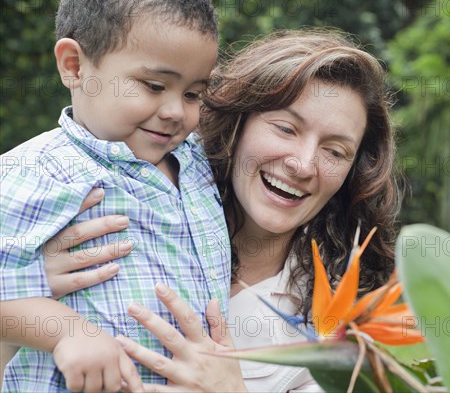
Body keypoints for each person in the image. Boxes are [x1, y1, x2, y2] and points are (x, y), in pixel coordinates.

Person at [38, 29, 402, 392]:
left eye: (335, 152)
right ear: (236, 124)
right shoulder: (106, 216)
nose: (304, 165)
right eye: (286, 129)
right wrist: (28, 290)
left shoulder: (346, 325)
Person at [0, 0, 230, 391]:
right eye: (154, 86)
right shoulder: (38, 170)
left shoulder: (198, 163)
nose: (177, 111)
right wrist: (68, 332)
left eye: (193, 94)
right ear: (74, 66)